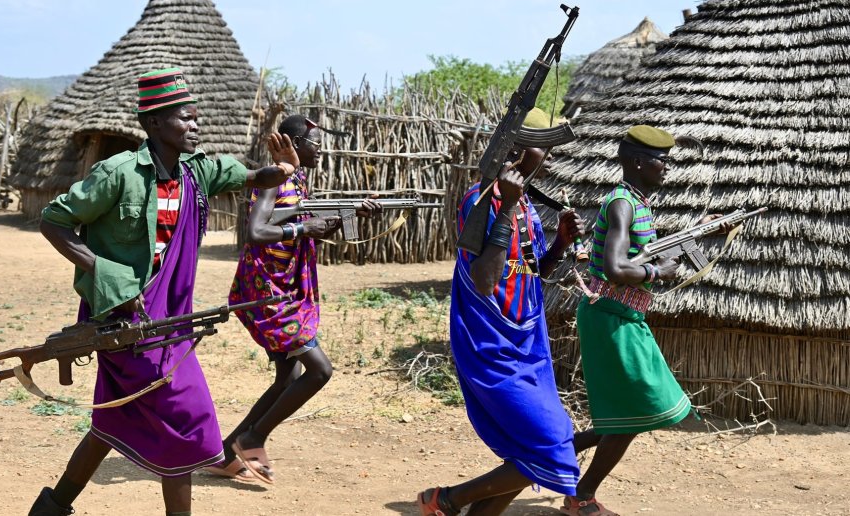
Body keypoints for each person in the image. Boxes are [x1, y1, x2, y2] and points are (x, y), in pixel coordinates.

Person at [29, 67, 300, 516]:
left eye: (196, 118)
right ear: (154, 124)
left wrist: (287, 168)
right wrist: (108, 277)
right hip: (122, 319)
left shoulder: (199, 172)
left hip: (169, 319)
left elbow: (255, 177)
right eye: (185, 118)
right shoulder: (118, 173)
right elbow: (54, 221)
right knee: (186, 415)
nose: (196, 126)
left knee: (117, 418)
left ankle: (53, 507)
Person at [417, 108, 587, 516]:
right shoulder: (482, 202)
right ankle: (447, 498)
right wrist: (506, 207)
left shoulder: (524, 203)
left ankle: (464, 506)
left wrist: (560, 244)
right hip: (490, 344)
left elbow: (530, 272)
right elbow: (484, 281)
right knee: (554, 443)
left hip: (529, 344)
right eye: (541, 147)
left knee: (533, 447)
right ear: (515, 148)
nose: (548, 156)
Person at [561, 125, 727, 516]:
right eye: (661, 160)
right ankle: (580, 496)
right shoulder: (621, 203)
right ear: (638, 161)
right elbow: (615, 266)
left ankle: (547, 457)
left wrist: (707, 230)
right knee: (637, 405)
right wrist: (658, 274)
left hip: (623, 315)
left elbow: (647, 255)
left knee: (623, 411)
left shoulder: (636, 203)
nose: (667, 168)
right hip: (609, 317)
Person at [207, 113, 380, 485]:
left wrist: (351, 213)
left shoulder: (298, 179)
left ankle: (225, 455)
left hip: (282, 289)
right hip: (268, 292)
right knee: (320, 371)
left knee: (289, 377)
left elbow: (307, 227)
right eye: (314, 143)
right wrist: (302, 226)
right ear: (294, 144)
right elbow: (255, 230)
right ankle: (252, 438)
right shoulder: (277, 176)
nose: (320, 150)